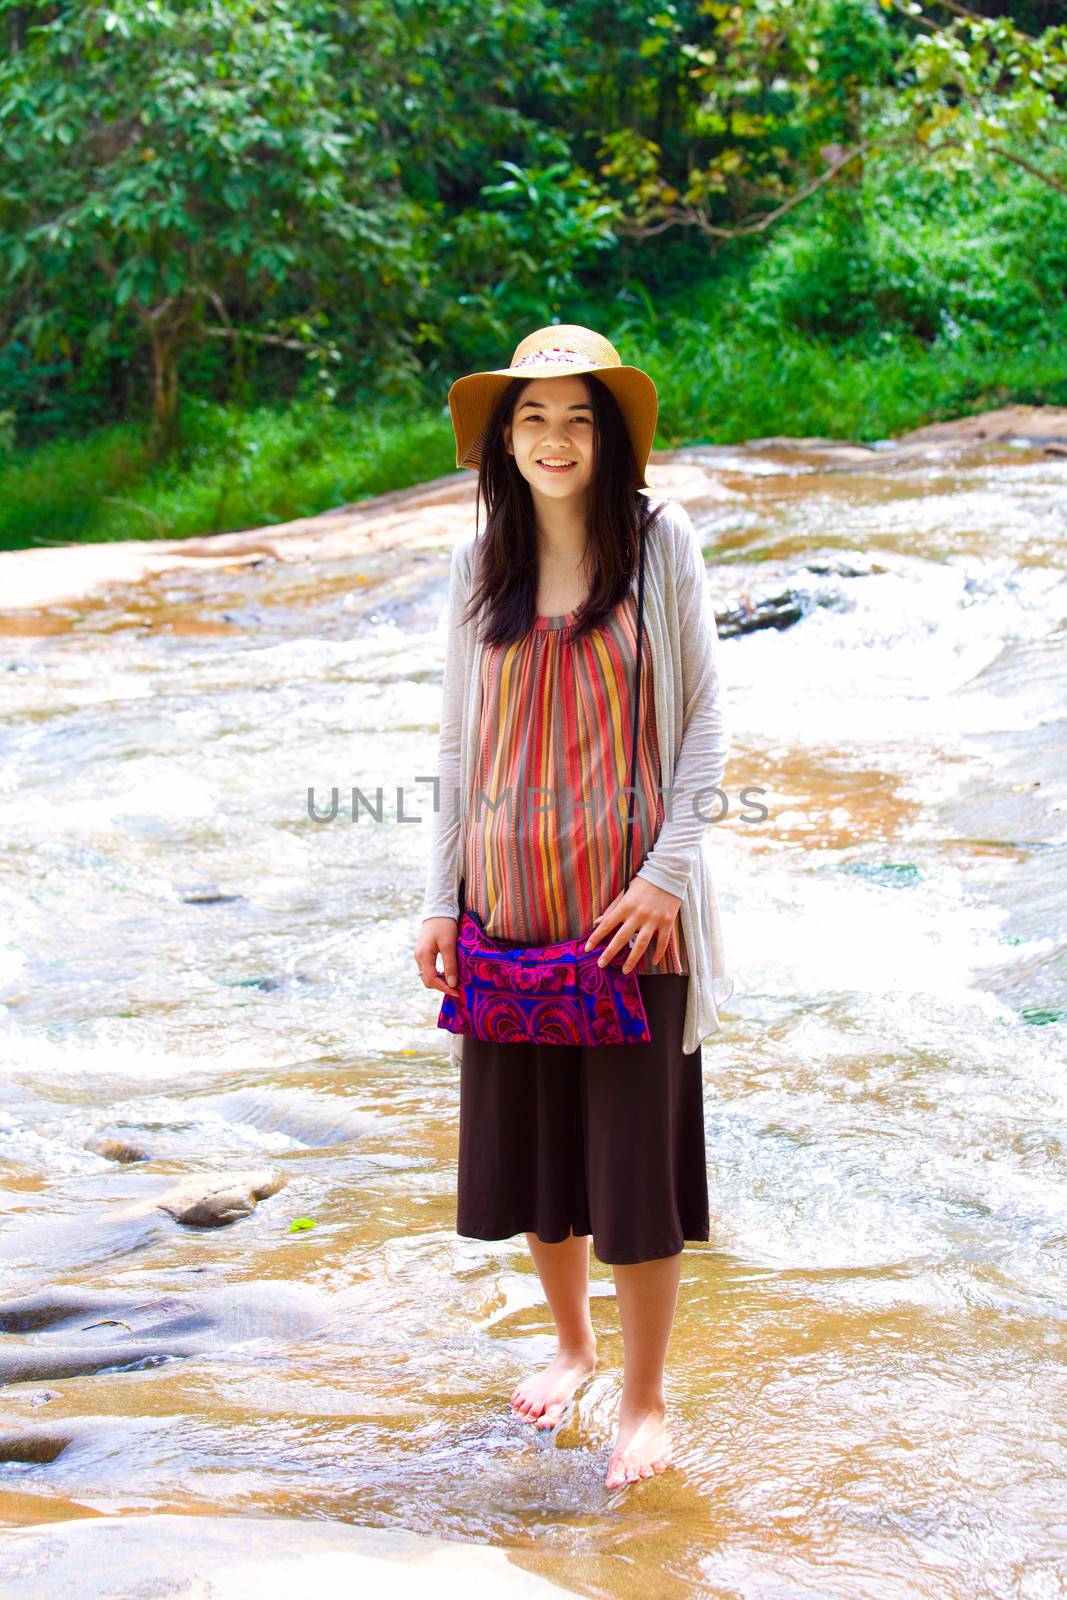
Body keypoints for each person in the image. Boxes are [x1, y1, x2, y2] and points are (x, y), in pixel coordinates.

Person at [414, 323, 733, 1489]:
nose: (555, 438)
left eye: (578, 417)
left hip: (630, 919)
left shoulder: (657, 545)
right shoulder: (474, 563)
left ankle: (644, 1399)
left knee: (632, 1172)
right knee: (545, 1167)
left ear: (610, 436)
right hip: (505, 910)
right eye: (532, 417)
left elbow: (705, 722)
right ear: (503, 438)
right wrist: (438, 901)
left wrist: (666, 878)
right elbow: (456, 741)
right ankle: (570, 1344)